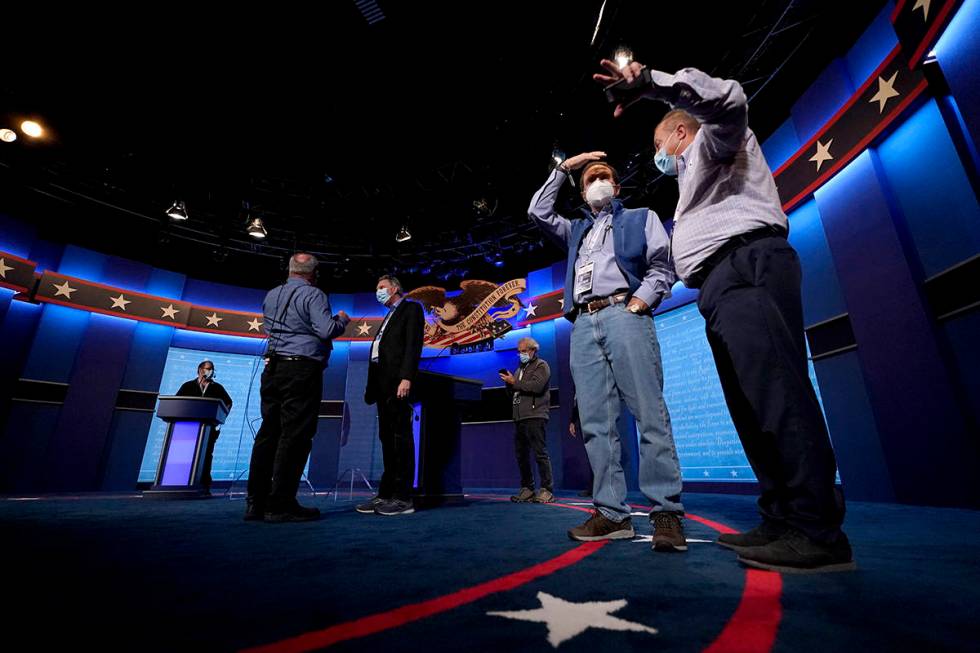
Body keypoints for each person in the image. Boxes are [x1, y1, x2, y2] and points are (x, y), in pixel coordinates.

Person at [595, 59, 852, 572]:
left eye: (658, 145)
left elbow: (730, 99)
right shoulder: (689, 178)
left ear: (681, 131)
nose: (656, 157)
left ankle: (818, 530)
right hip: (717, 284)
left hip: (746, 263)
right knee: (750, 406)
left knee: (777, 393)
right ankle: (782, 517)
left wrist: (653, 86)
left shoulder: (715, 140)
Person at [528, 152, 686, 552]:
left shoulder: (641, 217)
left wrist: (640, 302)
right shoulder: (576, 229)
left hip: (623, 312)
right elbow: (537, 210)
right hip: (582, 323)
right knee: (597, 422)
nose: (597, 180)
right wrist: (564, 169)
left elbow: (662, 267)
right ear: (583, 191)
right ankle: (613, 514)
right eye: (590, 178)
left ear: (615, 188)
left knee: (648, 412)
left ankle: (665, 512)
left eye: (604, 176)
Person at [245, 253, 350, 523]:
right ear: (314, 274)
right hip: (301, 370)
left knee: (269, 432)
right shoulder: (314, 295)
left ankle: (255, 503)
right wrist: (341, 319)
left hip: (273, 369)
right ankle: (280, 504)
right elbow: (326, 330)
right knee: (295, 435)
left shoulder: (272, 294)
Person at [358, 274, 425, 516]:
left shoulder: (411, 309)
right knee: (387, 440)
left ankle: (403, 498)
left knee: (401, 439)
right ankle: (386, 493)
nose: (378, 291)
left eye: (382, 287)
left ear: (395, 288)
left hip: (398, 383)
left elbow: (412, 345)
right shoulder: (388, 315)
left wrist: (406, 377)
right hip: (382, 386)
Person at [499, 337, 554, 504]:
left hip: (535, 415)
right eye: (519, 351)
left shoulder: (541, 366)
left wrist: (515, 382)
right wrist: (509, 384)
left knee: (540, 454)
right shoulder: (518, 370)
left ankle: (546, 489)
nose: (520, 354)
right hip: (519, 417)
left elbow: (537, 387)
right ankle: (528, 488)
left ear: (533, 350)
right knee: (521, 455)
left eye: (523, 351)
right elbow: (514, 393)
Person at [175, 360, 233, 493]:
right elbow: (177, 402)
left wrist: (220, 419)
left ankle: (204, 484)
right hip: (187, 429)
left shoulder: (217, 388)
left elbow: (228, 403)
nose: (210, 371)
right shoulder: (188, 386)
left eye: (212, 369)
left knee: (207, 455)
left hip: (209, 429)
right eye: (208, 368)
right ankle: (182, 482)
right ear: (200, 370)